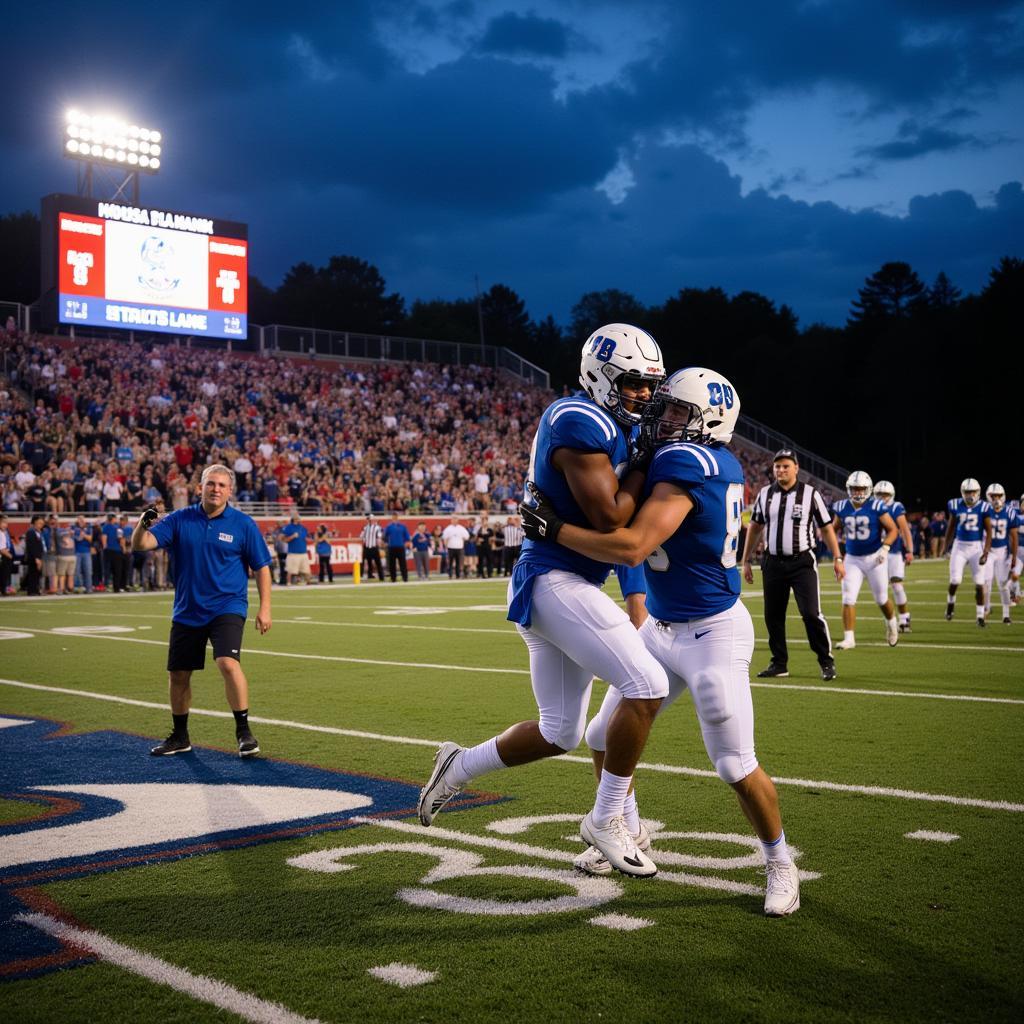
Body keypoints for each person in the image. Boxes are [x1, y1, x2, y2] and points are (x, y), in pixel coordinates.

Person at [521, 366, 801, 915]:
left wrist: (551, 529)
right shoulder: (674, 456)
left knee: (733, 763)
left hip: (710, 633)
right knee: (601, 734)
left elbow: (627, 546)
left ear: (708, 422)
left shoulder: (691, 461)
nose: (661, 416)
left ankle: (780, 861)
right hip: (663, 628)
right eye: (664, 406)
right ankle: (625, 829)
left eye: (676, 411)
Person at [418, 324, 669, 878]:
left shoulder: (612, 427)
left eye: (649, 386)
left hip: (568, 581)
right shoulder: (577, 417)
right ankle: (613, 821)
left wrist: (633, 594)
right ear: (602, 376)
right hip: (555, 580)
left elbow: (623, 543)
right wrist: (648, 465)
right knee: (647, 684)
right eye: (633, 383)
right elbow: (610, 518)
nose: (644, 396)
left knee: (559, 732)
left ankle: (456, 767)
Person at [132, 464, 272, 758]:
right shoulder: (180, 519)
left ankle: (243, 731)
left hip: (228, 606)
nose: (216, 489)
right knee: (179, 674)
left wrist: (265, 608)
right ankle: (180, 736)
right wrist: (142, 524)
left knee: (227, 663)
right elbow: (142, 544)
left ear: (230, 491)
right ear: (200, 488)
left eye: (222, 485)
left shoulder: (243, 524)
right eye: (211, 484)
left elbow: (261, 566)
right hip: (187, 609)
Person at [741, 449, 843, 682]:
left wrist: (837, 558)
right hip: (773, 562)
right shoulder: (765, 494)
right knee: (773, 615)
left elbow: (826, 528)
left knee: (810, 613)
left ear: (796, 468)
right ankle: (779, 663)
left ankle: (826, 661)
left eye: (786, 466)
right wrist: (746, 560)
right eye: (777, 466)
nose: (781, 470)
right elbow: (755, 528)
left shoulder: (810, 494)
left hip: (802, 563)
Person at [830, 472, 900, 650]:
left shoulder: (876, 506)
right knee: (848, 598)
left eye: (861, 489)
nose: (858, 492)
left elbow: (893, 530)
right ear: (848, 489)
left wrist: (885, 548)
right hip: (852, 559)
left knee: (881, 599)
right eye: (854, 489)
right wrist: (837, 555)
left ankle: (892, 623)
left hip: (874, 558)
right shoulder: (842, 506)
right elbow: (831, 530)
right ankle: (849, 638)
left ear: (868, 489)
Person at [943, 478, 993, 627]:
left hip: (976, 547)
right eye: (967, 492)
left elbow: (989, 531)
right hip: (959, 547)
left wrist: (985, 551)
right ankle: (950, 604)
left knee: (979, 583)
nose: (970, 495)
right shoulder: (955, 505)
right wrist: (945, 546)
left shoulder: (984, 507)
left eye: (973, 492)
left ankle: (980, 617)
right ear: (962, 493)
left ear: (978, 493)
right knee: (955, 581)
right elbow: (951, 527)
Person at [872, 480, 915, 632]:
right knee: (881, 589)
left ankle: (904, 619)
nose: (883, 498)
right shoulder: (871, 506)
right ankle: (890, 621)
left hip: (894, 551)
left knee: (896, 585)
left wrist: (909, 550)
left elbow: (904, 530)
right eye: (879, 494)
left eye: (886, 495)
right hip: (876, 552)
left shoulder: (896, 507)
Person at [981, 484, 1018, 624]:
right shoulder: (984, 511)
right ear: (988, 496)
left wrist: (1013, 557)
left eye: (998, 496)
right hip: (989, 552)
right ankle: (986, 609)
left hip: (1002, 552)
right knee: (987, 581)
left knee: (1003, 584)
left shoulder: (1009, 512)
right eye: (993, 496)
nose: (996, 499)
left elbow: (1014, 537)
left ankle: (1006, 614)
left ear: (1003, 496)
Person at [101, 512, 128, 593]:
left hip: (108, 550)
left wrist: (105, 547)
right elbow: (121, 539)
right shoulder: (117, 528)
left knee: (107, 570)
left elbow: (104, 538)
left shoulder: (105, 527)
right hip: (117, 551)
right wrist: (123, 548)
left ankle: (107, 586)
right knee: (117, 570)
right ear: (113, 519)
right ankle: (116, 587)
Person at [281, 512, 311, 585]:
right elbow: (283, 539)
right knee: (290, 570)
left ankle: (308, 583)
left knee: (306, 570)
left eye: (299, 518)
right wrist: (292, 537)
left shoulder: (303, 528)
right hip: (293, 553)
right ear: (294, 519)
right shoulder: (289, 527)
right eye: (297, 518)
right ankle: (288, 582)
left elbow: (306, 538)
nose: (299, 519)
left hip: (303, 552)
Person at [383, 512, 412, 582]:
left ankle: (405, 578)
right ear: (392, 518)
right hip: (391, 547)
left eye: (395, 516)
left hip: (401, 547)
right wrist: (386, 543)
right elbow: (384, 536)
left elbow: (407, 536)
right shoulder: (389, 527)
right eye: (393, 516)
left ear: (397, 517)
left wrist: (406, 543)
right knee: (392, 564)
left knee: (403, 563)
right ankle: (393, 579)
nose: (394, 518)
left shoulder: (403, 526)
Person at [72, 514, 94, 593]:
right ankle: (78, 587)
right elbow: (74, 538)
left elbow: (91, 539)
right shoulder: (74, 528)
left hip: (86, 552)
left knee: (88, 571)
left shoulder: (89, 528)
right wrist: (84, 536)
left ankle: (88, 588)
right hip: (76, 552)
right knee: (76, 571)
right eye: (79, 519)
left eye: (82, 519)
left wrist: (84, 535)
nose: (80, 521)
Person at [23, 515, 44, 595]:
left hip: (39, 556)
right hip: (33, 557)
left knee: (37, 574)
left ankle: (36, 589)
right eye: (39, 523)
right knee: (33, 573)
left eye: (42, 523)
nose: (41, 525)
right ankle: (32, 590)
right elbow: (32, 546)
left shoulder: (39, 532)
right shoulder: (31, 532)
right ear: (34, 523)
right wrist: (36, 558)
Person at [359, 514, 384, 581]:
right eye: (368, 519)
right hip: (366, 547)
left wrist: (379, 543)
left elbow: (379, 536)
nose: (368, 520)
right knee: (364, 561)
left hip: (374, 547)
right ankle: (364, 575)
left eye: (369, 519)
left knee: (378, 562)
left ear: (372, 520)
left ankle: (381, 577)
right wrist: (363, 539)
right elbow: (361, 536)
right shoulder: (365, 528)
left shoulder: (377, 527)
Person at [0, 514, 13, 595]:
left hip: (5, 555)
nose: (5, 525)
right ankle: (3, 589)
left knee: (4, 574)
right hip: (3, 556)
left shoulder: (4, 532)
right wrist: (10, 556)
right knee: (3, 574)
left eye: (6, 523)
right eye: (3, 522)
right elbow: (1, 549)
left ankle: (4, 588)